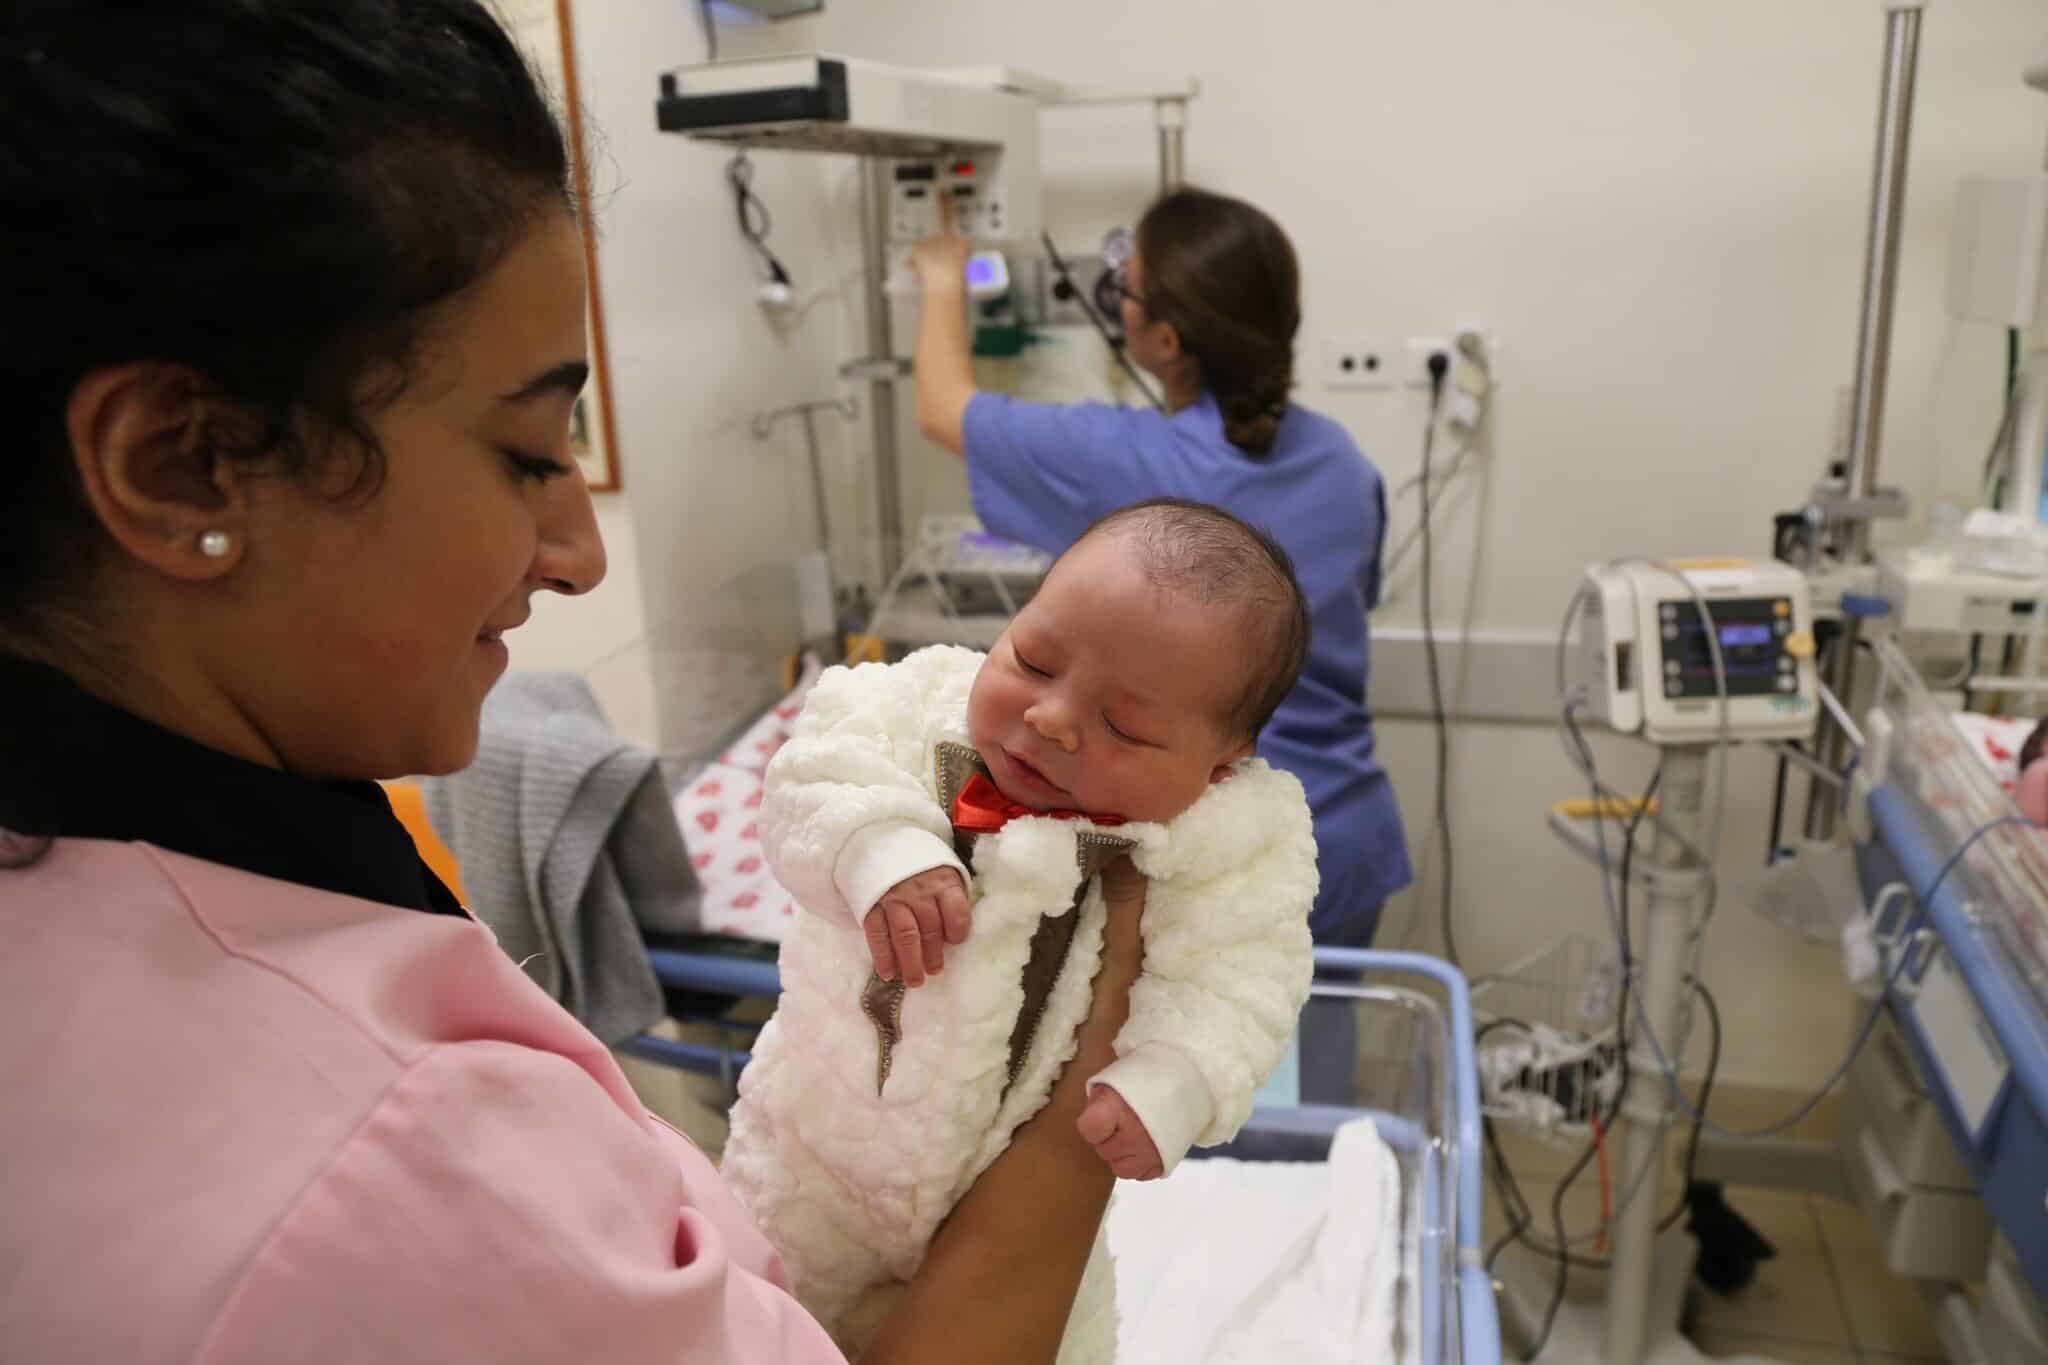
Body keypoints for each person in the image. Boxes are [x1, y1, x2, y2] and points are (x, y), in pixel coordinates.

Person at [0, 3, 1145, 1361]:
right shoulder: (399, 1165)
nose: (582, 555)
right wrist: (1103, 1018)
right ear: (180, 461)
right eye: (531, 450)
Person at [724, 499, 1319, 1358]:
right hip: (816, 1152)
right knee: (753, 1315)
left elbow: (1249, 971)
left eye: (1124, 724)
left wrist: (1173, 1078)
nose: (1050, 716)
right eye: (1034, 658)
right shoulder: (915, 700)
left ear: (1217, 767)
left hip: (1020, 1195)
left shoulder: (1223, 837)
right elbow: (812, 772)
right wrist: (878, 846)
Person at [911, 186, 1412, 1101]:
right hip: (1344, 837)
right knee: (1298, 1095)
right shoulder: (1345, 464)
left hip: (1210, 851)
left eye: (1125, 291)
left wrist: (943, 272)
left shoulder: (1133, 466)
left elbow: (945, 407)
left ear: (1163, 341)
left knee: (1177, 1107)